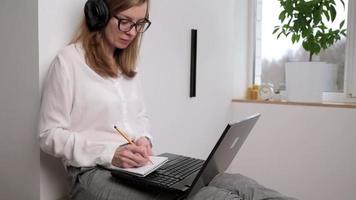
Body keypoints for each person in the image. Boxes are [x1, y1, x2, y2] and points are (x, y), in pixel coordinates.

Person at [39, 0, 298, 199]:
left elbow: (139, 118)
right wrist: (110, 153)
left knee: (243, 185)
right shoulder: (69, 62)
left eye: (140, 24)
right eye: (125, 21)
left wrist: (144, 139)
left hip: (138, 168)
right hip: (91, 174)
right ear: (99, 15)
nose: (132, 32)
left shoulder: (128, 66)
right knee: (214, 197)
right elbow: (48, 135)